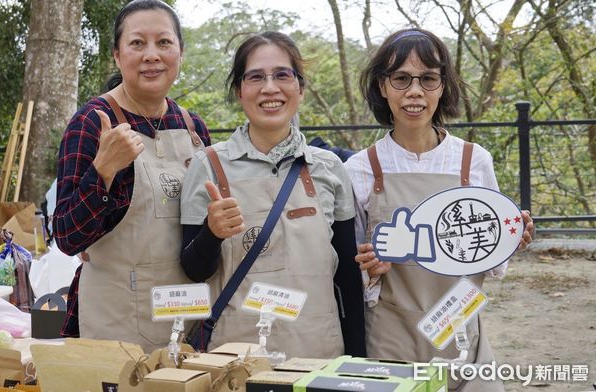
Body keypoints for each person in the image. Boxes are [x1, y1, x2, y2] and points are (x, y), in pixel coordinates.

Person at [345, 28, 533, 391]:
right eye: (401, 78)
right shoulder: (361, 168)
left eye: (428, 78)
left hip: (463, 331)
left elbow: (494, 264)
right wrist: (369, 269)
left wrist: (511, 239)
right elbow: (352, 268)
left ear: (443, 86)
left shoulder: (473, 161)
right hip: (390, 336)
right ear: (382, 87)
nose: (414, 91)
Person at [180, 31, 366, 358]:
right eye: (256, 77)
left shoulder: (330, 167)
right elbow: (193, 270)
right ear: (239, 90)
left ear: (300, 88)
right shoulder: (207, 165)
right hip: (235, 355)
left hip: (319, 351)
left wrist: (357, 360)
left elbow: (348, 280)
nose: (270, 88)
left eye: (283, 75)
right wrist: (212, 233)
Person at [53, 0, 210, 352]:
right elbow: (66, 237)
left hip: (186, 312)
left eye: (164, 43)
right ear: (117, 55)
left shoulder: (193, 127)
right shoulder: (93, 122)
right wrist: (104, 169)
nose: (151, 55)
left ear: (180, 53)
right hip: (117, 318)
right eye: (137, 43)